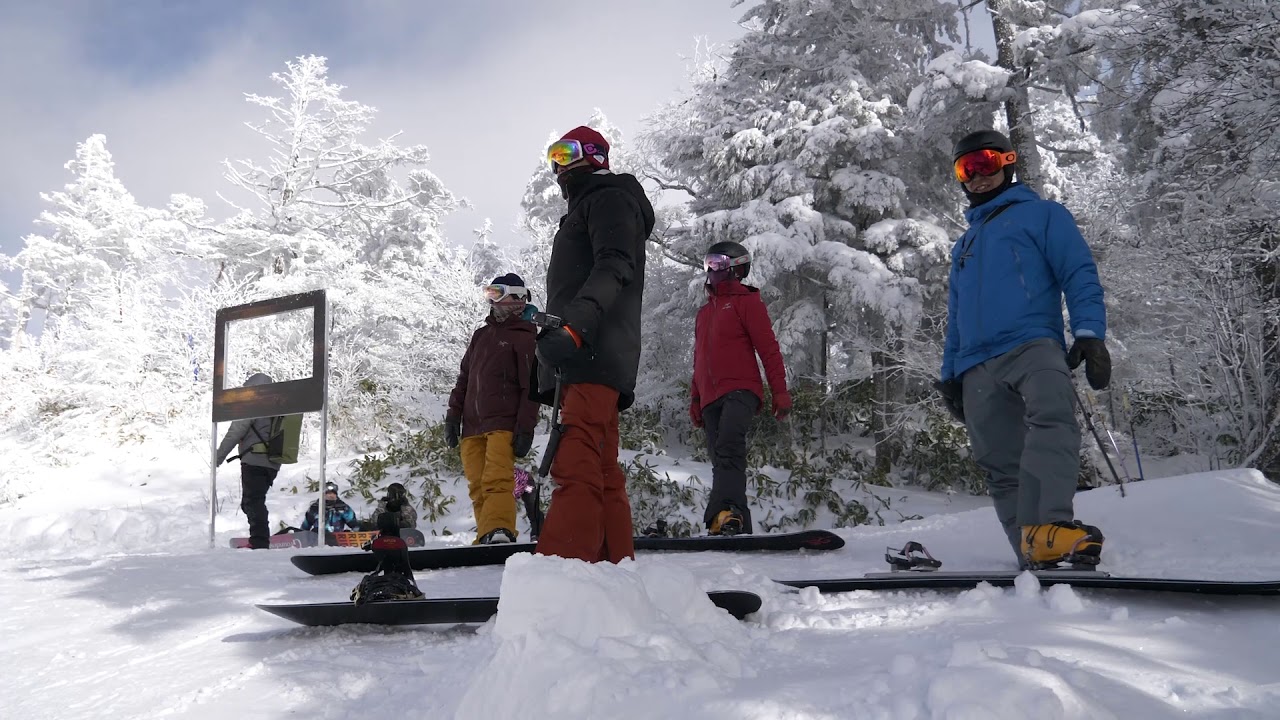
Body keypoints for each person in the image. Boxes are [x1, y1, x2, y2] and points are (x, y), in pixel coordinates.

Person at [937, 129, 1111, 569]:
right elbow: (955, 318)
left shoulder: (1044, 216)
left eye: (986, 163)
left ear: (1008, 163)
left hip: (1032, 342)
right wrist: (950, 375)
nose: (977, 176)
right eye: (966, 168)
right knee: (999, 461)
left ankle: (1050, 524)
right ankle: (1031, 547)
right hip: (976, 364)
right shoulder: (964, 245)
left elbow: (1078, 271)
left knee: (1053, 418)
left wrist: (1089, 331)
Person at [531, 125, 655, 563]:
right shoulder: (595, 203)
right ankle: (613, 571)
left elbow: (615, 264)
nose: (559, 165)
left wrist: (574, 328)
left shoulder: (608, 197)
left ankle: (563, 572)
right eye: (553, 155)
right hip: (596, 353)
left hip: (590, 349)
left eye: (567, 152)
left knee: (577, 463)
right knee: (601, 468)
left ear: (596, 155)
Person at [690, 241, 791, 536]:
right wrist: (695, 399)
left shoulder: (747, 303)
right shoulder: (704, 313)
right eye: (708, 263)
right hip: (710, 397)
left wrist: (780, 391)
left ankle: (725, 512)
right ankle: (736, 521)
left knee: (729, 448)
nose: (712, 270)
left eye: (719, 263)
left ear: (737, 268)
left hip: (741, 389)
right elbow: (699, 360)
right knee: (720, 458)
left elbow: (769, 349)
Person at [445, 273, 540, 544]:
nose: (492, 299)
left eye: (497, 292)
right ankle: (486, 534)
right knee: (477, 486)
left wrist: (524, 428)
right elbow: (464, 378)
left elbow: (530, 389)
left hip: (503, 424)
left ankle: (500, 529)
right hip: (472, 425)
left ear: (518, 297)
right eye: (489, 293)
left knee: (497, 480)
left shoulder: (524, 338)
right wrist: (453, 416)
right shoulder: (482, 336)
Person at [215, 372, 281, 549]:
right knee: (252, 501)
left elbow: (235, 432)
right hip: (273, 462)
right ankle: (259, 539)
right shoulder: (277, 405)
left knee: (253, 501)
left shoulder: (253, 405)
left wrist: (218, 457)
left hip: (254, 460)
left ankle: (259, 542)